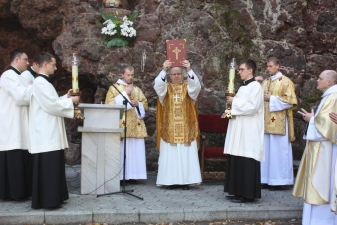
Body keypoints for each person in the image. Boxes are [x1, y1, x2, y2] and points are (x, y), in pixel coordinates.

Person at [29, 53, 80, 209]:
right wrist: (70, 101)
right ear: (45, 64)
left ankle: (56, 197)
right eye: (53, 64)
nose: (55, 67)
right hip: (46, 132)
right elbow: (50, 106)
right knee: (48, 168)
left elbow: (53, 100)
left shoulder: (44, 83)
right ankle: (49, 200)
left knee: (54, 166)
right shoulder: (39, 83)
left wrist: (66, 96)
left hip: (50, 130)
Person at [293, 70, 337, 224]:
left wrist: (312, 119)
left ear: (330, 82)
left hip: (325, 151)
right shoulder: (328, 97)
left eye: (320, 78)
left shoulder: (333, 97)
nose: (317, 80)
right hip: (319, 149)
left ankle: (322, 221)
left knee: (321, 183)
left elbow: (328, 126)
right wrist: (312, 120)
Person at [154, 59, 202, 190]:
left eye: (179, 74)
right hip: (169, 127)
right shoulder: (166, 88)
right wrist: (164, 69)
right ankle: (170, 180)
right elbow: (157, 86)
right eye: (173, 74)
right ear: (169, 76)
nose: (176, 76)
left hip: (186, 127)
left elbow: (196, 87)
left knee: (186, 154)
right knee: (171, 155)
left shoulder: (188, 87)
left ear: (182, 75)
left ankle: (186, 181)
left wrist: (189, 69)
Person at [224, 59, 264, 203]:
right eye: (239, 69)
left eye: (241, 69)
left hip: (249, 130)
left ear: (250, 70)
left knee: (246, 160)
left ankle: (247, 194)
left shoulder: (256, 87)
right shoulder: (243, 87)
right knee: (237, 159)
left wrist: (233, 101)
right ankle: (237, 191)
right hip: (239, 129)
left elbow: (252, 107)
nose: (238, 72)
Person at [105, 66, 148, 182]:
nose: (130, 77)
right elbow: (110, 106)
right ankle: (120, 177)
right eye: (128, 75)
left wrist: (137, 104)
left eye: (132, 75)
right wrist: (125, 94)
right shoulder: (113, 88)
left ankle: (134, 175)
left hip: (136, 125)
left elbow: (145, 104)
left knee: (135, 151)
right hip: (121, 124)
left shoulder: (137, 89)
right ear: (122, 75)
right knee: (122, 150)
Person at [260, 57, 297, 190]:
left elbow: (291, 100)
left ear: (278, 66)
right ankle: (265, 178)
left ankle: (279, 180)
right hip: (265, 121)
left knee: (278, 152)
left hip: (279, 122)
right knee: (266, 151)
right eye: (267, 66)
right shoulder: (266, 81)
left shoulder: (286, 82)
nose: (268, 68)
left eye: (270, 66)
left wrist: (273, 99)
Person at [0, 49, 31, 201]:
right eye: (25, 59)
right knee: (14, 159)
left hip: (19, 122)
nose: (28, 63)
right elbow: (21, 97)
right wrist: (36, 88)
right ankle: (14, 193)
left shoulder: (17, 76)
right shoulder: (8, 75)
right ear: (16, 60)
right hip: (12, 124)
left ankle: (20, 192)